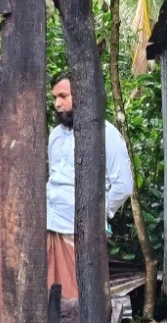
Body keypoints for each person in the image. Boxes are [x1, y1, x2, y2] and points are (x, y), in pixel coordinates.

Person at [47, 73, 133, 300]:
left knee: (78, 299)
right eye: (55, 97)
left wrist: (97, 214)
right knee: (51, 297)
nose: (57, 103)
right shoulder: (55, 136)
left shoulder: (107, 134)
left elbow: (123, 186)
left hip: (81, 233)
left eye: (63, 96)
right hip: (50, 225)